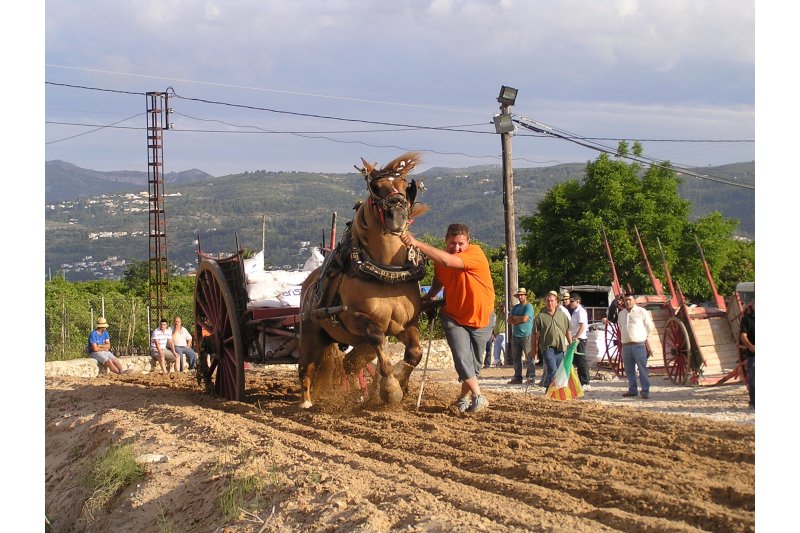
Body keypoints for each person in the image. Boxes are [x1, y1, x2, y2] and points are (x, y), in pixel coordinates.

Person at [401, 223, 495, 413]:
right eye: (452, 243)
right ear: (446, 241)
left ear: (468, 242)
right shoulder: (440, 259)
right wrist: (429, 297)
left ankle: (462, 398)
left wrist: (417, 243)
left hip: (482, 318)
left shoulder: (475, 254)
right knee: (461, 358)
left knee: (474, 366)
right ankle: (479, 396)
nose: (457, 248)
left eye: (461, 243)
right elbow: (439, 279)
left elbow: (448, 263)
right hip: (452, 315)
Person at [618, 292, 655, 398]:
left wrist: (644, 337)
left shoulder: (642, 312)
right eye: (626, 300)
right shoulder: (621, 314)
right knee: (629, 370)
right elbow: (621, 327)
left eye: (630, 299)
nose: (627, 301)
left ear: (634, 301)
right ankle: (632, 390)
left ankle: (645, 391)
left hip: (639, 344)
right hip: (626, 345)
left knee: (642, 369)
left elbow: (649, 327)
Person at [533, 291, 573, 389]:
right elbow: (534, 334)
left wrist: (571, 344)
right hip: (547, 348)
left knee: (559, 372)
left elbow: (568, 330)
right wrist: (534, 349)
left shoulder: (562, 315)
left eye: (552, 301)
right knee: (552, 369)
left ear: (556, 302)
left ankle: (552, 391)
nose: (549, 303)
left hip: (560, 348)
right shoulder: (541, 317)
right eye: (547, 301)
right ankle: (551, 391)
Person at [507, 288, 534, 384]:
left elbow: (525, 319)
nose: (520, 296)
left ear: (525, 296)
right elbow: (509, 320)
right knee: (516, 358)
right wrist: (518, 319)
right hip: (516, 335)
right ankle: (518, 377)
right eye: (519, 295)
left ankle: (531, 376)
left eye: (522, 295)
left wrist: (515, 318)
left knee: (529, 357)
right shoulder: (515, 307)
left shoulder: (529, 306)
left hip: (526, 335)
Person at [568, 293, 590, 389]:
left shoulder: (580, 311)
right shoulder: (575, 311)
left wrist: (576, 337)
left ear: (578, 301)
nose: (570, 303)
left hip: (580, 339)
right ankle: (579, 381)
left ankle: (585, 382)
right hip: (576, 338)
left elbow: (582, 327)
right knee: (575, 360)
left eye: (572, 301)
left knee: (581, 361)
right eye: (570, 301)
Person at [739, 300, 755, 408]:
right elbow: (743, 335)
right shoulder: (747, 319)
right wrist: (750, 346)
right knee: (754, 380)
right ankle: (755, 403)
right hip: (753, 354)